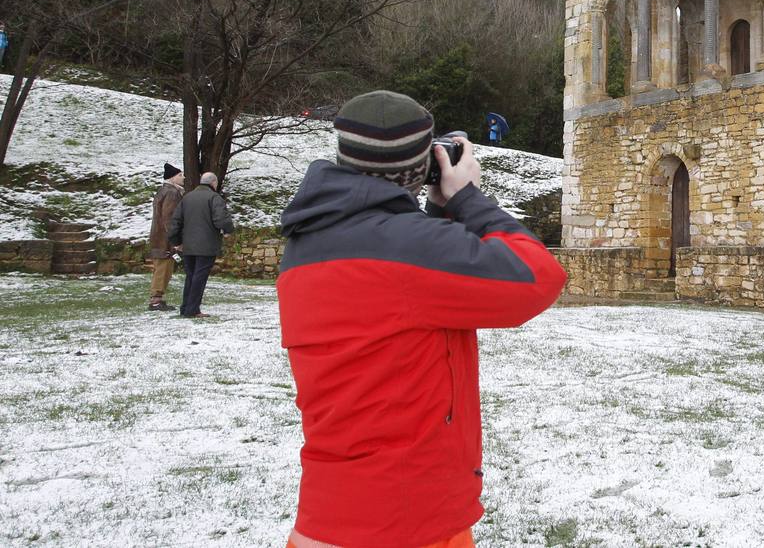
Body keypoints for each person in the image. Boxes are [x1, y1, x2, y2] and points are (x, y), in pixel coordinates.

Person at [276, 90, 566, 548]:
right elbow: (538, 278)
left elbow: (409, 297)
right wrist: (466, 197)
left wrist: (435, 212)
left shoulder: (305, 244)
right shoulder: (408, 251)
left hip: (328, 514)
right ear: (420, 168)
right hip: (408, 519)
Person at [167, 170, 234, 319]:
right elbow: (221, 219)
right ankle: (192, 309)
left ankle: (185, 307)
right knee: (199, 277)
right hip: (206, 245)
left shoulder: (187, 197)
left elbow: (176, 221)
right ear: (213, 183)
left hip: (188, 246)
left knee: (191, 276)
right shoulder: (214, 198)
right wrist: (228, 230)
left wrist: (176, 241)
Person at [147, 163, 185, 310]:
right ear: (172, 178)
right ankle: (155, 300)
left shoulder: (163, 191)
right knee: (163, 269)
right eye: (180, 175)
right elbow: (169, 218)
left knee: (162, 268)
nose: (183, 177)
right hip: (164, 240)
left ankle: (157, 299)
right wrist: (175, 240)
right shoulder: (172, 193)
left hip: (159, 237)